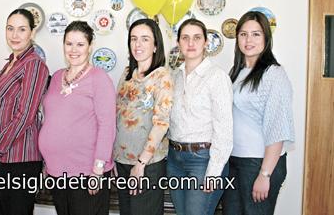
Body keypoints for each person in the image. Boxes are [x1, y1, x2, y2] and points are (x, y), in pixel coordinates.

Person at [39, 21, 116, 215]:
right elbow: (52, 120)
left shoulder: (99, 78)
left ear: (90, 47)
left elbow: (107, 126)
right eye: (69, 43)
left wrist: (98, 170)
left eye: (80, 44)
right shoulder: (56, 77)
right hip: (57, 171)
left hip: (86, 172)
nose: (73, 50)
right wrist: (47, 162)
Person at [0, 9, 49, 215]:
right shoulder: (10, 63)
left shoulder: (34, 65)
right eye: (10, 29)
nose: (14, 35)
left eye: (21, 29)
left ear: (32, 33)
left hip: (20, 159)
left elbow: (25, 115)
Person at [222, 11, 295, 215]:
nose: (248, 40)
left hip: (259, 163)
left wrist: (265, 174)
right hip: (235, 160)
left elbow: (277, 127)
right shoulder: (236, 72)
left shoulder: (274, 74)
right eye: (243, 34)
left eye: (256, 34)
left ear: (266, 38)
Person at [167, 18, 233, 215]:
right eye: (185, 38)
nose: (190, 43)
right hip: (175, 160)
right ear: (178, 43)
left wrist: (214, 173)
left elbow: (224, 129)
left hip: (203, 161)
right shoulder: (174, 77)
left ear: (206, 42)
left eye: (197, 38)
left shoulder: (217, 77)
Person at [114, 18, 173, 215]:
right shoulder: (127, 74)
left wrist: (141, 164)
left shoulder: (161, 76)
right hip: (122, 161)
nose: (138, 44)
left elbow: (162, 123)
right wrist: (115, 158)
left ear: (156, 45)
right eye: (134, 39)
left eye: (145, 39)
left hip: (146, 165)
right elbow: (118, 116)